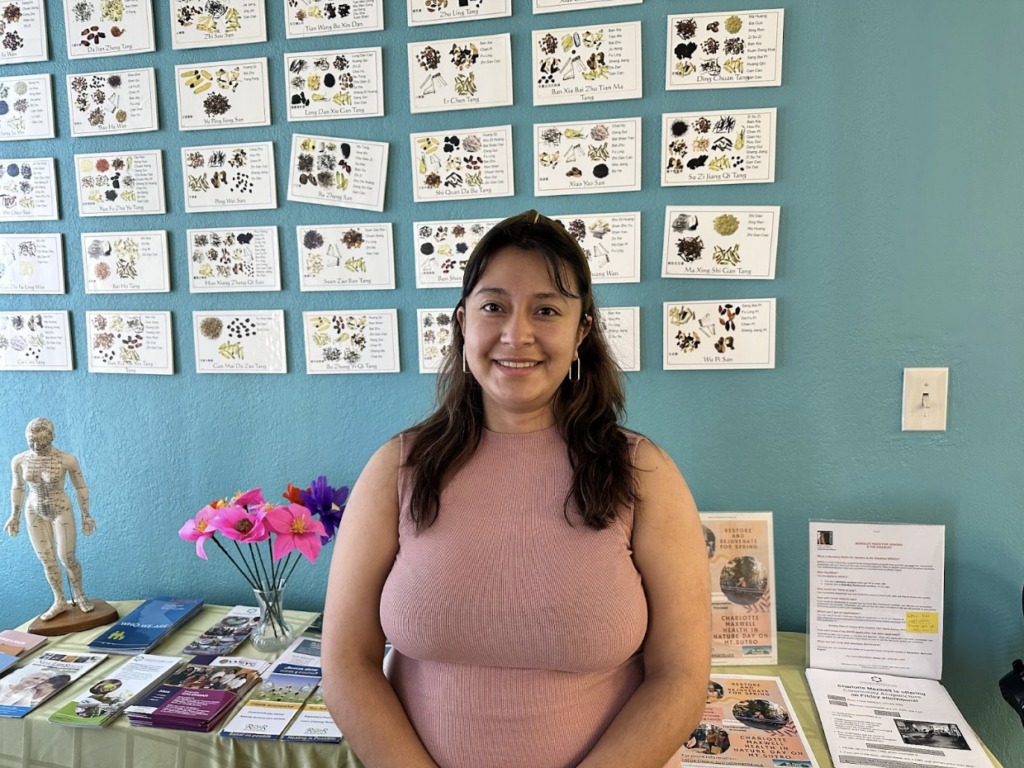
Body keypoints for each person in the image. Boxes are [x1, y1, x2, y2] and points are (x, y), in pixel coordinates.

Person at [321, 211, 711, 768]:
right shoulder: (397, 469)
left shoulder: (643, 473)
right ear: (462, 323)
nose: (516, 333)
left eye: (546, 310)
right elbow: (346, 663)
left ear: (581, 332)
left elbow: (681, 677)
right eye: (494, 306)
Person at [4, 418, 96, 620]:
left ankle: (79, 594)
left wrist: (85, 515)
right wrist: (14, 515)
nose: (37, 446)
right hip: (34, 509)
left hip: (60, 508)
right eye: (32, 441)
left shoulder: (67, 460)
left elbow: (80, 486)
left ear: (51, 437)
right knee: (46, 560)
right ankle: (59, 600)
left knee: (67, 558)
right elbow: (18, 487)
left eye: (41, 441)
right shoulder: (19, 460)